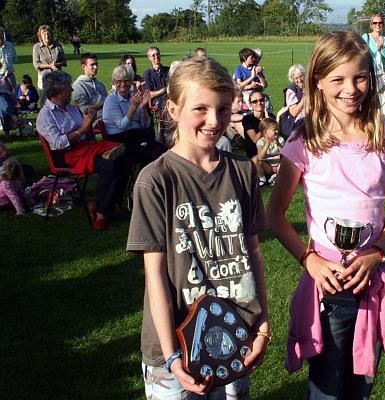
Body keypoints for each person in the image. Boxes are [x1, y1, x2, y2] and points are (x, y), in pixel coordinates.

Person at [266, 30, 385, 399]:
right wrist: (310, 260)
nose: (350, 89)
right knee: (327, 385)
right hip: (328, 287)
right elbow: (274, 214)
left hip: (374, 283)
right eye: (338, 79)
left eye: (359, 77)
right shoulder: (304, 141)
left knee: (361, 382)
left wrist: (377, 252)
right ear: (317, 81)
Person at [126, 57, 270, 400]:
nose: (214, 120)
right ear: (173, 110)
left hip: (237, 334)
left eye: (223, 109)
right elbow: (155, 276)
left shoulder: (242, 172)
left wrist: (262, 326)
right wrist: (173, 358)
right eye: (200, 108)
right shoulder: (155, 180)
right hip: (175, 347)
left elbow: (253, 254)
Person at [36, 71, 131, 229]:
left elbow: (87, 134)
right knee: (109, 165)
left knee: (125, 160)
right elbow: (58, 144)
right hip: (66, 155)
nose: (72, 91)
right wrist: (82, 129)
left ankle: (108, 203)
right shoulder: (45, 115)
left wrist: (89, 123)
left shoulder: (71, 108)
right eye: (68, 88)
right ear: (58, 91)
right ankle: (101, 212)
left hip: (84, 148)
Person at [102, 65, 167, 166]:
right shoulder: (111, 100)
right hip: (119, 139)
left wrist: (143, 107)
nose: (123, 84)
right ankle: (146, 177)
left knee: (162, 149)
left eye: (126, 81)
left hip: (135, 135)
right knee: (152, 153)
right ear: (114, 82)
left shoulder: (133, 96)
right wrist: (134, 106)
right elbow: (122, 125)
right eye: (119, 81)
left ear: (131, 81)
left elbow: (144, 125)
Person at [362, 14, 385, 118]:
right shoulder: (366, 37)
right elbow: (363, 54)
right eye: (375, 23)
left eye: (380, 23)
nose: (377, 25)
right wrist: (376, 47)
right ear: (371, 25)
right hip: (369, 74)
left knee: (384, 103)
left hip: (382, 74)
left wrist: (382, 48)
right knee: (370, 102)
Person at [242, 89, 275, 173]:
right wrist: (266, 124)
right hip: (255, 155)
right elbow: (254, 139)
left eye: (261, 100)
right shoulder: (247, 119)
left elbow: (275, 137)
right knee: (257, 160)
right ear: (250, 104)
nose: (259, 103)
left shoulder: (271, 116)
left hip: (271, 153)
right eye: (254, 101)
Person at [32, 25, 67, 94]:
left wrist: (57, 64)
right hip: (43, 77)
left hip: (57, 77)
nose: (46, 36)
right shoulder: (36, 47)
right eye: (44, 34)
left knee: (58, 99)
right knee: (44, 100)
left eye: (48, 33)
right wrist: (50, 66)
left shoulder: (58, 45)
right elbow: (36, 64)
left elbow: (64, 60)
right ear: (40, 36)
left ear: (51, 34)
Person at [72, 53, 108, 121]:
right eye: (92, 65)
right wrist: (106, 102)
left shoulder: (100, 84)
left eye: (96, 64)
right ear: (83, 66)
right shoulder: (78, 85)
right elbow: (84, 110)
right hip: (93, 122)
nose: (96, 67)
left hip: (107, 118)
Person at [279, 64, 305, 139]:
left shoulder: (309, 85)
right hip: (298, 121)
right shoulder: (291, 90)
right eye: (296, 78)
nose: (299, 80)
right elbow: (294, 112)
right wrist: (304, 99)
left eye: (301, 76)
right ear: (292, 79)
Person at [256, 117, 283, 186]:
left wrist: (279, 145)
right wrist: (267, 145)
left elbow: (284, 154)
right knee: (257, 161)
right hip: (268, 166)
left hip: (278, 165)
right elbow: (260, 157)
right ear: (265, 132)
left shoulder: (280, 139)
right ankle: (262, 179)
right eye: (274, 130)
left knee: (286, 161)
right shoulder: (261, 142)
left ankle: (276, 177)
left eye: (277, 129)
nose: (277, 131)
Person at [0, 27, 16, 96]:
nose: (0, 37)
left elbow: (15, 59)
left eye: (1, 34)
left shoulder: (10, 45)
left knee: (13, 99)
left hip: (10, 77)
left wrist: (9, 69)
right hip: (0, 77)